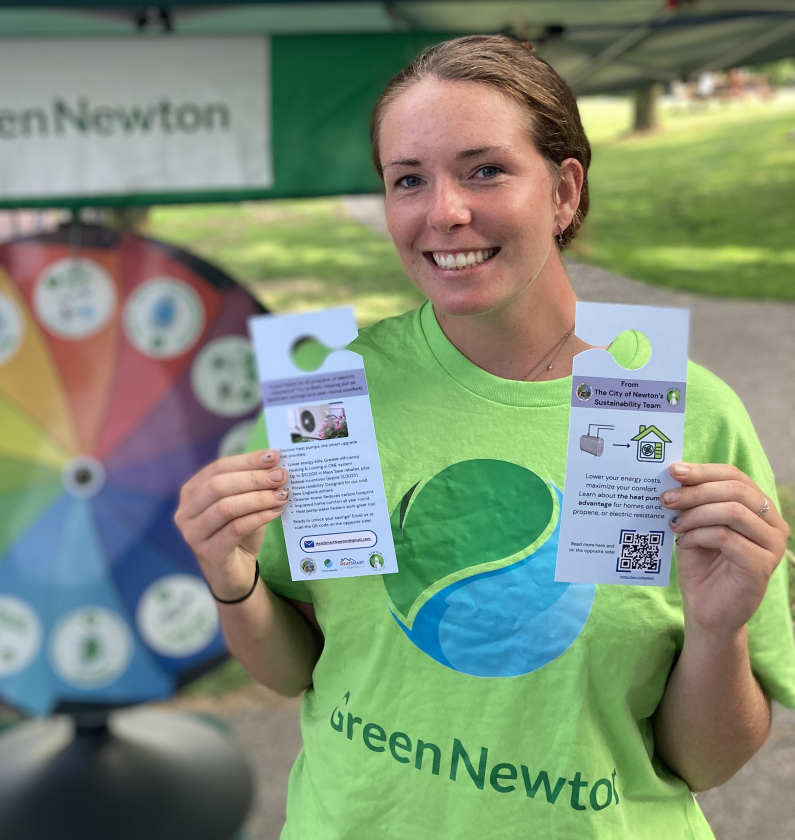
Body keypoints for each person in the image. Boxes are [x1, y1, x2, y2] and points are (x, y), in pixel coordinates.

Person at [175, 36, 794, 838]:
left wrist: (718, 630)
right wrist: (231, 577)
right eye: (408, 179)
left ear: (564, 191)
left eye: (485, 170)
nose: (445, 212)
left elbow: (705, 763)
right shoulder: (328, 400)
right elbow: (298, 670)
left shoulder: (686, 418)